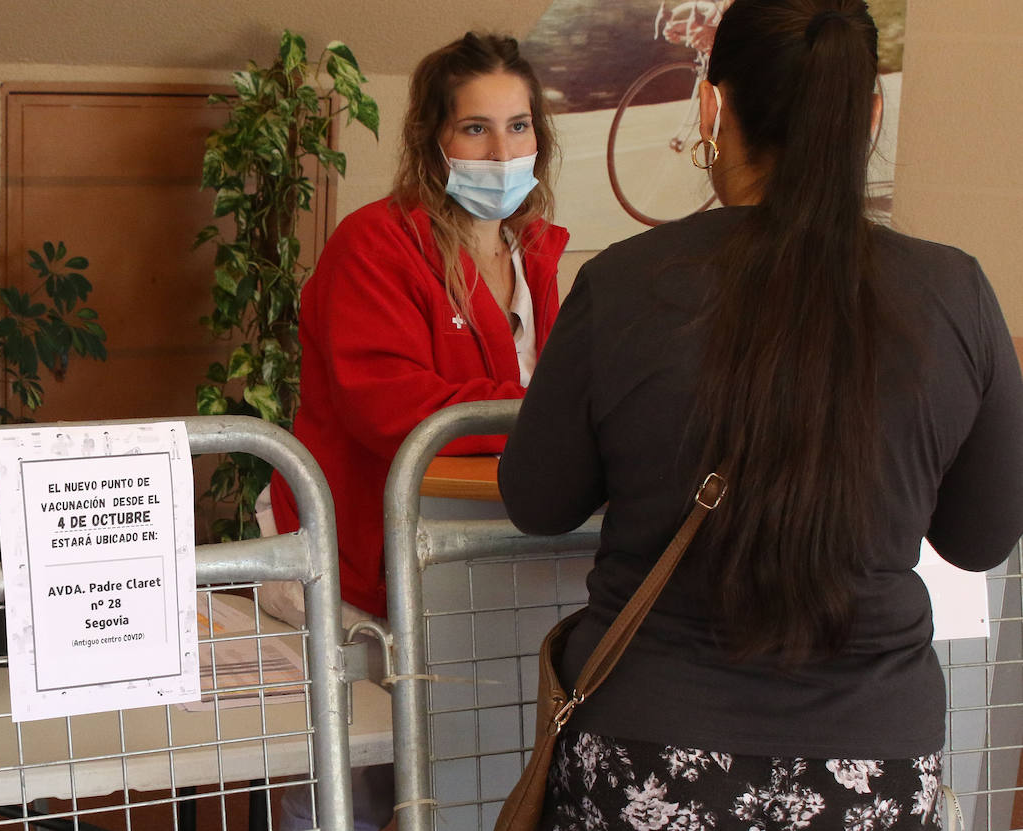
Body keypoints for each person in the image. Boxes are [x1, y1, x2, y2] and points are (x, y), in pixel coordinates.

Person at [498, 1, 1023, 829]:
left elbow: (537, 499)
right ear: (868, 115)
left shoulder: (629, 284)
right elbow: (982, 536)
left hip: (649, 754)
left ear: (713, 106)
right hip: (874, 766)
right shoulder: (954, 294)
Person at [259, 31, 570, 831]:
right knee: (348, 791)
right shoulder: (374, 244)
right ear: (433, 139)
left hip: (466, 566)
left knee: (452, 777)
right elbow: (393, 408)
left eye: (520, 125)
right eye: (476, 128)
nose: (503, 149)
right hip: (359, 563)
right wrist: (546, 415)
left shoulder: (533, 251)